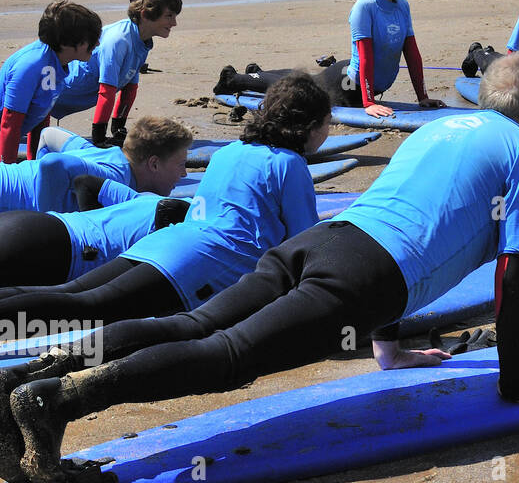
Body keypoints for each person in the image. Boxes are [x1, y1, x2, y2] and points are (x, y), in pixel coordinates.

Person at [0, 52, 519, 483]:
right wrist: (514, 381)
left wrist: (388, 350)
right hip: (363, 277)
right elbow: (517, 271)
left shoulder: (438, 130)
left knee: (194, 325)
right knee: (230, 356)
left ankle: (28, 377)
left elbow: (406, 220)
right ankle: (58, 401)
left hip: (319, 243)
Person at [0, 77, 327, 345]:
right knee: (91, 309)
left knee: (75, 297)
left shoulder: (232, 151)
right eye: (326, 125)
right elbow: (304, 249)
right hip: (197, 263)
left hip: (164, 241)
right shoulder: (290, 164)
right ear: (309, 127)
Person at [213, 0, 445, 118]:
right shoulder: (364, 8)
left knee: (309, 80)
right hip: (347, 84)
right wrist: (368, 103)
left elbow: (412, 55)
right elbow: (365, 58)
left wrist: (422, 97)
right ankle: (233, 80)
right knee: (298, 89)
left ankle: (257, 73)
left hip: (361, 79)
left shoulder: (402, 5)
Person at [52, 0, 182, 146]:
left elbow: (129, 88)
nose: (174, 23)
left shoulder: (142, 40)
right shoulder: (118, 40)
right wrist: (99, 138)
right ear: (145, 14)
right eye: (169, 16)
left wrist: (118, 129)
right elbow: (106, 92)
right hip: (56, 93)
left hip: (72, 96)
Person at [0, 178, 190, 289]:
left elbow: (85, 183)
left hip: (43, 223)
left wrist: (91, 223)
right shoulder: (191, 222)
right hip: (57, 252)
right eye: (181, 164)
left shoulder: (150, 198)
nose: (183, 174)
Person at [0, 117, 191, 215]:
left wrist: (34, 166)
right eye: (181, 164)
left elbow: (50, 134)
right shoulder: (114, 176)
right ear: (154, 164)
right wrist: (51, 223)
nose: (184, 174)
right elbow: (54, 163)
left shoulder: (109, 155)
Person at [0, 2, 102, 164]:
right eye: (91, 39)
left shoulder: (57, 62)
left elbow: (41, 113)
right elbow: (9, 124)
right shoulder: (31, 66)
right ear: (66, 43)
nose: (97, 44)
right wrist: (9, 172)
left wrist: (34, 162)